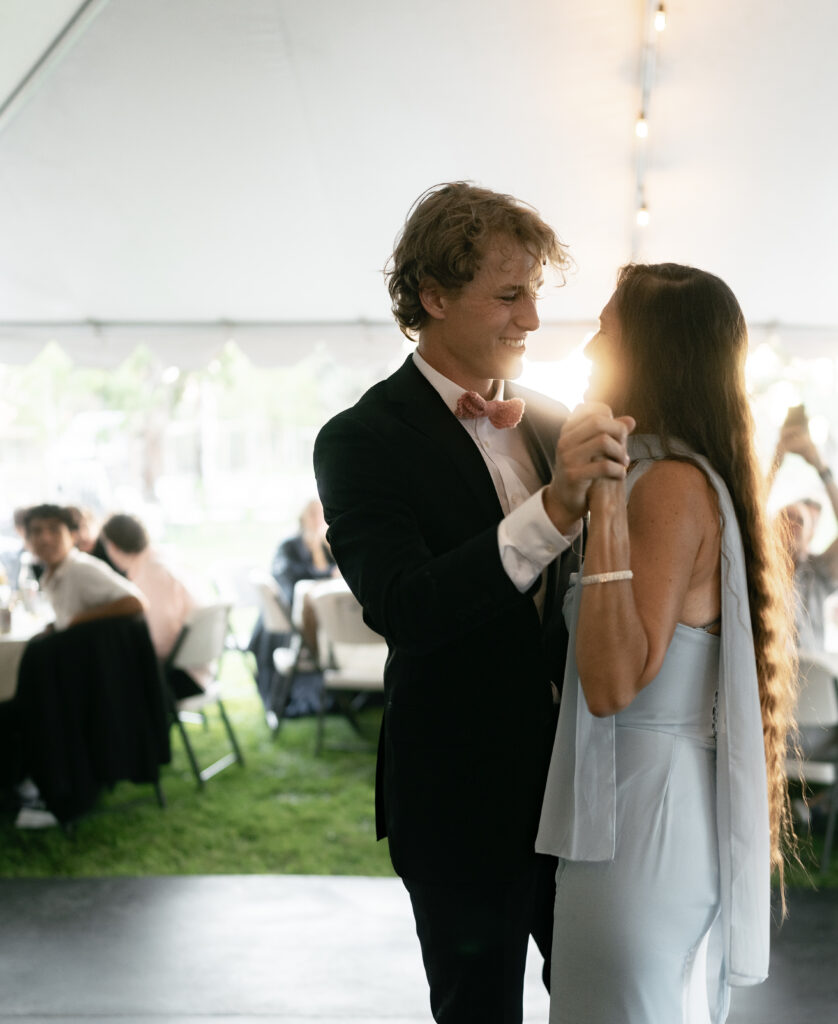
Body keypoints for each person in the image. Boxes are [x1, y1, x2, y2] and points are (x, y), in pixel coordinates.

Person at [313, 182, 631, 1024]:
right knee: (478, 1009)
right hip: (457, 793)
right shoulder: (360, 440)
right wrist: (554, 512)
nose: (532, 318)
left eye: (534, 293)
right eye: (509, 294)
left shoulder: (554, 422)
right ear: (434, 296)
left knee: (599, 998)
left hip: (579, 784)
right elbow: (405, 607)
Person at [535, 264, 797, 1023]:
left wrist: (608, 497)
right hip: (644, 804)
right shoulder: (679, 474)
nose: (588, 348)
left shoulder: (669, 487)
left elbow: (614, 685)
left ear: (650, 354)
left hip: (641, 817)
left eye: (606, 330)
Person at [100, 513, 212, 698]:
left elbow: (161, 641)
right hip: (195, 666)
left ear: (112, 547)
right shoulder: (162, 559)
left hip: (182, 675)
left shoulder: (153, 574)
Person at [771, 415, 838, 651]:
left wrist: (821, 466)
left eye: (800, 520)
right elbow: (748, 515)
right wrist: (778, 456)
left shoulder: (818, 574)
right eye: (785, 517)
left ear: (810, 536)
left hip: (811, 678)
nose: (792, 524)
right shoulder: (760, 568)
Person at [23, 504, 146, 630]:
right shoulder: (52, 574)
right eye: (37, 531)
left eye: (54, 530)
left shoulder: (80, 569)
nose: (45, 539)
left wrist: (78, 620)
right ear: (27, 540)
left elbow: (135, 601)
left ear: (73, 536)